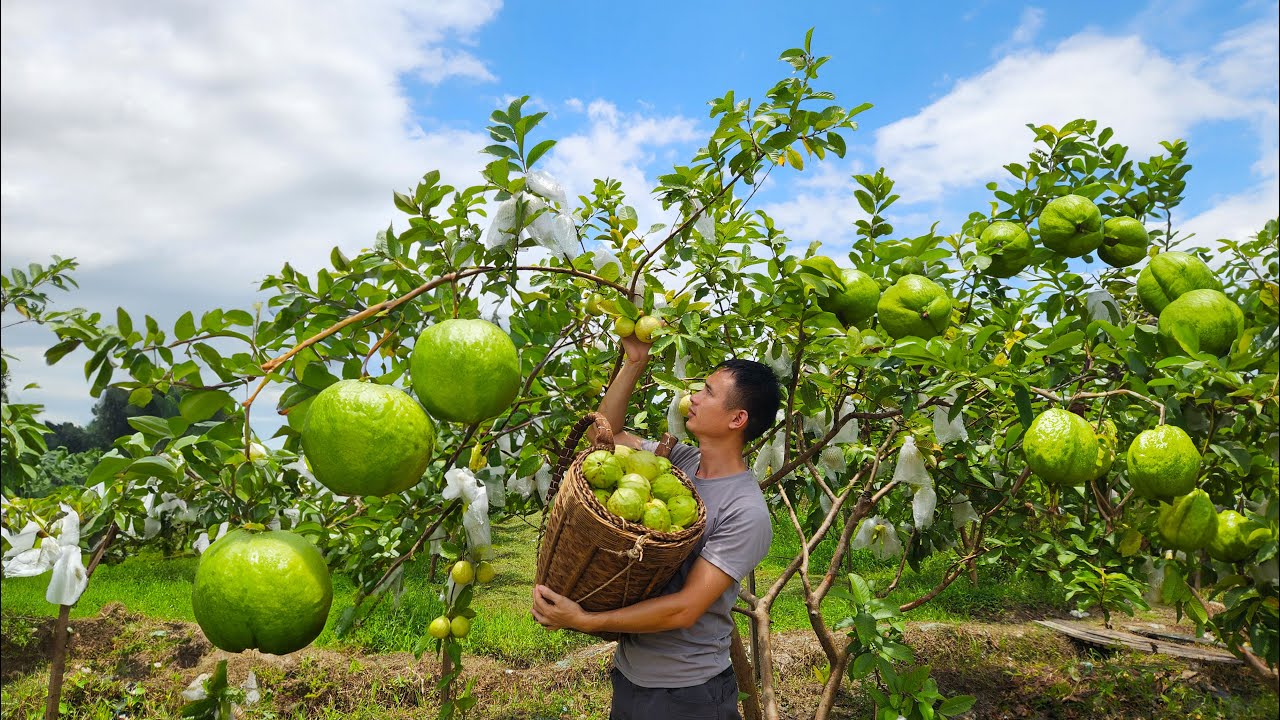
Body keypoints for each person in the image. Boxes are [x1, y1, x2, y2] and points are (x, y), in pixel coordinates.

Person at [531, 331, 782, 719]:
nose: (693, 397)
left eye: (708, 392)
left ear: (738, 418)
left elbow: (684, 609)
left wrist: (584, 621)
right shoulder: (677, 461)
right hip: (632, 676)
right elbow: (607, 435)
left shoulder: (745, 510)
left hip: (687, 693)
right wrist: (634, 362)